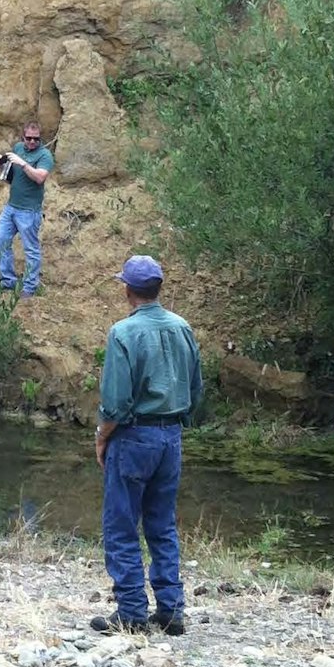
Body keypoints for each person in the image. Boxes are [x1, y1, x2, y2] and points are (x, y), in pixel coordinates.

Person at [91, 255, 203, 637]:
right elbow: (196, 387)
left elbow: (116, 400)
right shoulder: (183, 327)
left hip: (134, 436)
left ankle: (132, 611)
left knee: (121, 524)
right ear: (158, 288)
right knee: (162, 523)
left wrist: (103, 436)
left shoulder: (123, 332)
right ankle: (171, 610)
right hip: (171, 435)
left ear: (128, 290)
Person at [0, 118, 54, 299]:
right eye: (29, 138)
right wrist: (1, 165)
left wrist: (23, 163)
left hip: (29, 211)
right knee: (1, 241)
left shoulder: (44, 156)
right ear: (23, 137)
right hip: (11, 207)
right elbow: (11, 177)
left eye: (36, 138)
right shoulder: (18, 148)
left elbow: (39, 178)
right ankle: (8, 283)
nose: (32, 142)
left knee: (31, 249)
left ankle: (29, 287)